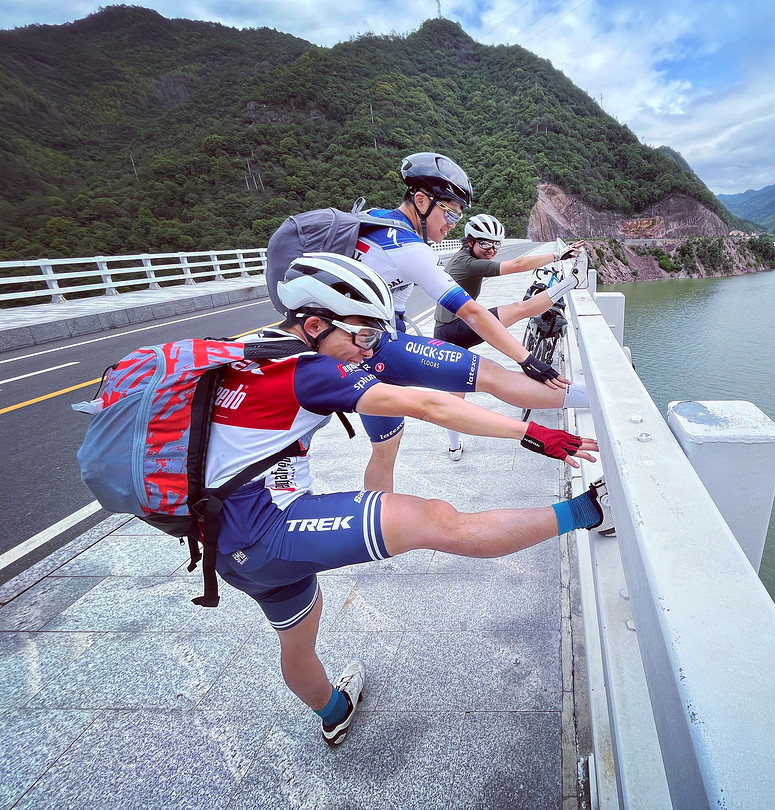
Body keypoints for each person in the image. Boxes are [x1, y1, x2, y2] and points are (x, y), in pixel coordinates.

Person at [208, 253, 613, 746]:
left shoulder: (236, 351)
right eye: (362, 336)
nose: (367, 350)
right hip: (268, 528)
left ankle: (335, 712)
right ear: (314, 324)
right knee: (439, 522)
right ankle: (593, 509)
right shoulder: (306, 368)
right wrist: (530, 433)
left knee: (296, 640)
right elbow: (426, 403)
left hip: (218, 541)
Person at [266, 152, 592, 492]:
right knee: (493, 375)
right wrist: (527, 360)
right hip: (376, 348)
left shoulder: (375, 220)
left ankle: (374, 521)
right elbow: (472, 313)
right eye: (449, 211)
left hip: (345, 344)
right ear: (420, 200)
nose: (452, 221)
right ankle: (595, 399)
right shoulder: (409, 247)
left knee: (384, 452)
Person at [433, 213, 585, 459]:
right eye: (485, 243)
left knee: (456, 396)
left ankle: (453, 446)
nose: (491, 250)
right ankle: (572, 281)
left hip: (446, 329)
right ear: (469, 241)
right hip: (456, 328)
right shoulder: (468, 263)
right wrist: (558, 255)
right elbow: (515, 266)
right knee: (519, 308)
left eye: (496, 245)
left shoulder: (465, 257)